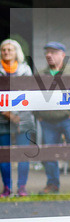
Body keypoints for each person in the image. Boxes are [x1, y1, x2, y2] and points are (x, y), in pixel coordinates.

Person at [35, 42, 70, 194]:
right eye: (47, 52)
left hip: (69, 118)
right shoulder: (41, 73)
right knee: (49, 153)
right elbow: (32, 95)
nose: (49, 55)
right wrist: (38, 115)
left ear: (62, 55)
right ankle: (52, 184)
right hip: (47, 120)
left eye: (53, 52)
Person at [1, 39, 32, 197]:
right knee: (4, 154)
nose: (6, 52)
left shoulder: (25, 70)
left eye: (10, 49)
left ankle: (22, 187)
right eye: (4, 49)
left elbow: (29, 94)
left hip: (23, 117)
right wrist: (8, 114)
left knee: (23, 153)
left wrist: (17, 116)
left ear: (16, 52)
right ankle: (7, 188)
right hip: (2, 119)